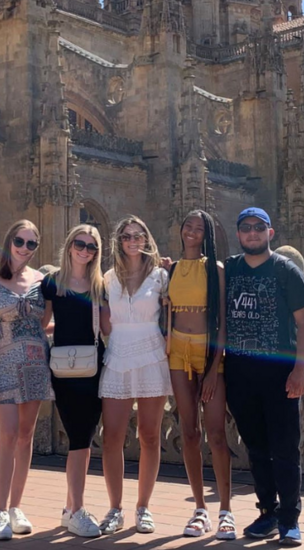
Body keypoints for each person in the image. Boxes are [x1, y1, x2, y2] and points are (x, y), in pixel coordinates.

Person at [223, 208, 304, 547]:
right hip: (240, 373)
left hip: (280, 373)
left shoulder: (285, 270)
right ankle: (267, 512)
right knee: (257, 448)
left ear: (270, 233)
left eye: (258, 228)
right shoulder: (229, 269)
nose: (252, 233)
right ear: (238, 234)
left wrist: (299, 369)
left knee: (285, 447)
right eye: (245, 228)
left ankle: (290, 519)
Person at [0, 220, 53, 542]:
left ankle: (17, 507)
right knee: (9, 434)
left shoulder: (42, 281)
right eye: (20, 240)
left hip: (35, 364)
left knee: (27, 435)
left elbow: (42, 323)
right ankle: (0, 511)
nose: (24, 248)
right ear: (8, 241)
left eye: (32, 243)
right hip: (3, 365)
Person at [96, 216, 172, 535]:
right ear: (118, 241)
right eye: (126, 236)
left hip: (152, 355)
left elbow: (172, 313)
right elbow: (102, 321)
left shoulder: (161, 276)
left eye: (138, 235)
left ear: (146, 238)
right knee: (111, 436)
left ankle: (143, 507)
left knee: (149, 435)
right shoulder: (107, 279)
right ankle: (115, 508)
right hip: (118, 355)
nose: (132, 240)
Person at [166, 210, 234, 540]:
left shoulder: (216, 270)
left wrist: (212, 369)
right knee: (189, 432)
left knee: (217, 434)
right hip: (178, 353)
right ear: (180, 231)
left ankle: (226, 510)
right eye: (188, 226)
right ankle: (199, 509)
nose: (192, 232)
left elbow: (222, 322)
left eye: (199, 228)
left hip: (208, 355)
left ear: (207, 234)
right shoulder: (172, 270)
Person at [40, 225, 106, 538]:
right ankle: (77, 511)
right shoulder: (53, 282)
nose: (85, 250)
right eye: (80, 244)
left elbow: (107, 325)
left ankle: (71, 509)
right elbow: (41, 324)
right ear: (69, 246)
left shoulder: (99, 285)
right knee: (78, 439)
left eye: (91, 247)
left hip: (93, 366)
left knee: (85, 438)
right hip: (64, 369)